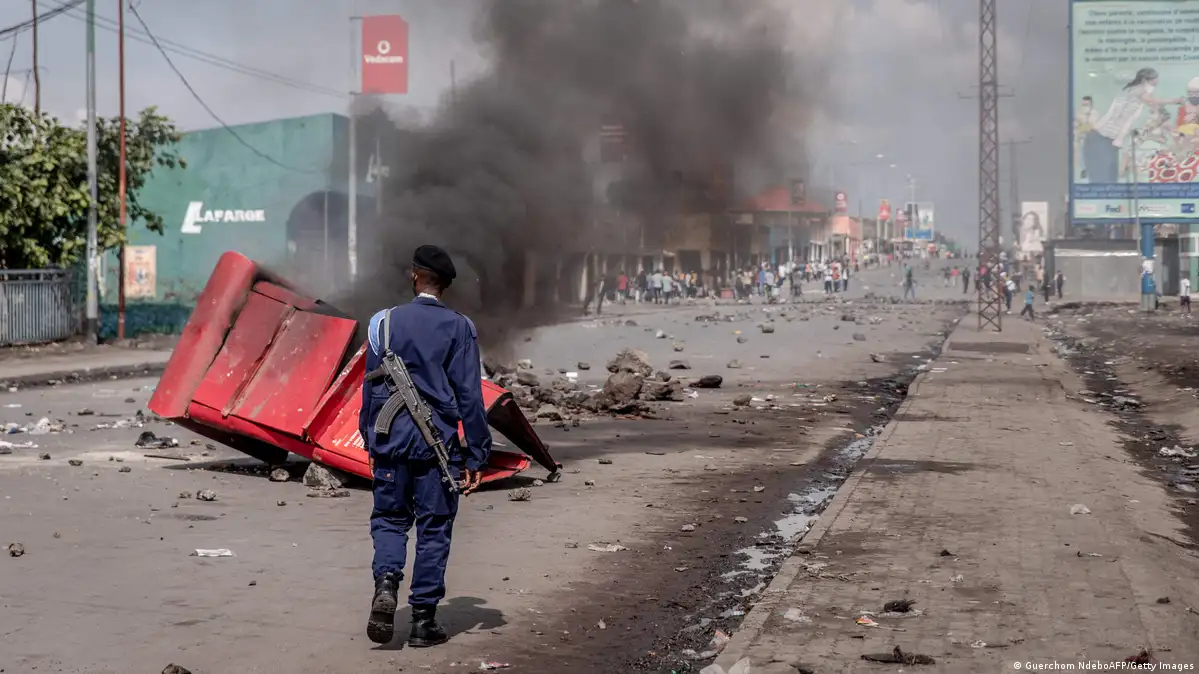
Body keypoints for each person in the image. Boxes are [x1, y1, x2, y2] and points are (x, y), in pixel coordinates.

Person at [362, 245, 491, 648]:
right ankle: (422, 620)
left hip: (390, 441)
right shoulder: (460, 327)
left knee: (389, 520)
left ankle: (387, 582)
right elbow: (470, 396)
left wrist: (370, 441)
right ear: (446, 285)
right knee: (434, 528)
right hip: (438, 448)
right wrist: (477, 454)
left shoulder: (383, 323)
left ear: (415, 275)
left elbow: (369, 388)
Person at [1084, 68, 1182, 184]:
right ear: (1144, 80)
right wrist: (1173, 101)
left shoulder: (1134, 99)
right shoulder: (1136, 91)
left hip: (1105, 140)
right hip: (1101, 139)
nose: (1152, 89)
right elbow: (1151, 102)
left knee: (1108, 181)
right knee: (1104, 182)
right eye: (1153, 84)